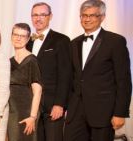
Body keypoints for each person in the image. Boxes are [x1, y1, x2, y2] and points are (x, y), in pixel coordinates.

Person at [65, 1, 132, 140]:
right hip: (76, 111)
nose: (87, 19)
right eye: (84, 15)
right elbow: (72, 77)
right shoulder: (74, 43)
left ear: (102, 17)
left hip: (103, 112)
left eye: (92, 15)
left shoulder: (115, 41)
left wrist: (120, 112)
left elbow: (123, 80)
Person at [26, 3, 71, 141]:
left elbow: (66, 74)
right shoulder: (27, 42)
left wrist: (60, 104)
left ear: (50, 16)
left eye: (42, 15)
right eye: (35, 15)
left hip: (52, 105)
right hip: (32, 105)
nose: (38, 18)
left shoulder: (61, 40)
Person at [7, 23, 42, 141]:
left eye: (22, 36)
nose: (18, 38)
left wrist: (33, 116)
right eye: (16, 34)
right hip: (11, 111)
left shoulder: (31, 60)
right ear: (11, 36)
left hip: (26, 111)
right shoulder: (9, 61)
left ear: (27, 39)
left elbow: (37, 90)